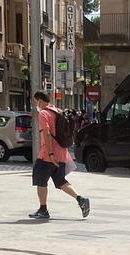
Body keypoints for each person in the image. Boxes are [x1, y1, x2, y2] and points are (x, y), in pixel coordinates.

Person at [30, 91, 90, 220]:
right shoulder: (58, 111)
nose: (37, 105)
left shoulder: (43, 114)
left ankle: (43, 209)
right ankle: (81, 199)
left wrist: (50, 154)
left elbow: (46, 134)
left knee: (41, 181)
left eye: (36, 102)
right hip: (62, 152)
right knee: (60, 181)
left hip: (47, 154)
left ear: (40, 101)